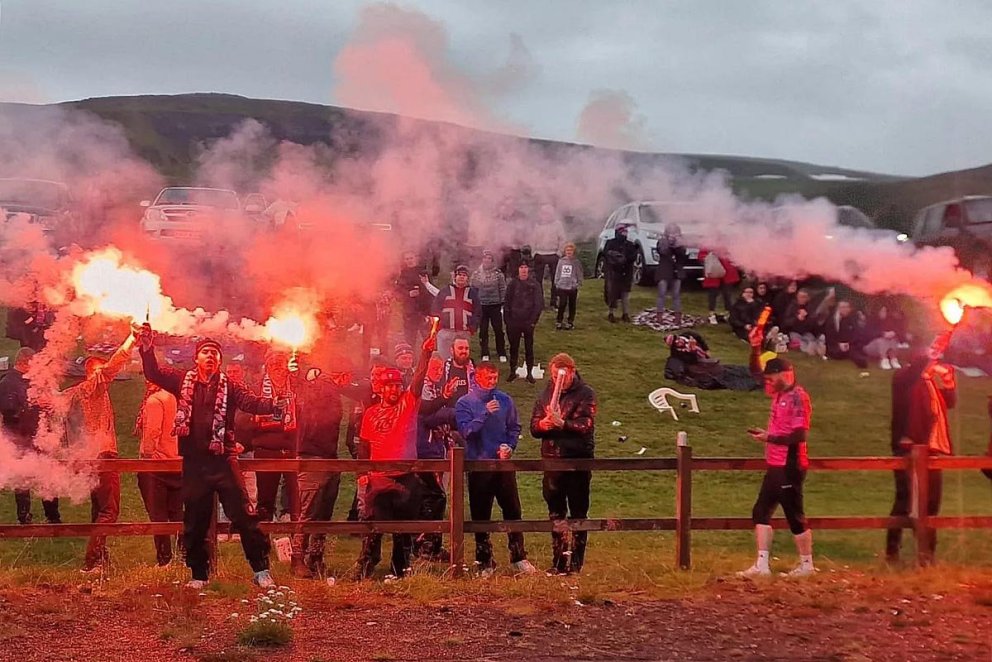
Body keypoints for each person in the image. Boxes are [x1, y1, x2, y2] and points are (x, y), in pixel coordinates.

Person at [137, 326, 282, 589]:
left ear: (219, 361)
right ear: (197, 358)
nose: (210, 356)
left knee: (244, 516)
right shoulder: (182, 381)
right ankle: (199, 575)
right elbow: (153, 372)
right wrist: (147, 349)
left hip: (224, 461)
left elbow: (252, 403)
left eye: (215, 353)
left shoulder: (231, 386)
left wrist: (275, 405)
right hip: (194, 464)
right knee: (195, 520)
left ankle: (261, 570)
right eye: (205, 352)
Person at [354, 334, 435, 580]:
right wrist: (362, 474)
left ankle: (400, 569)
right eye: (389, 386)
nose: (394, 390)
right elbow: (364, 447)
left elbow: (418, 381)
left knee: (403, 528)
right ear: (380, 388)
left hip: (405, 477)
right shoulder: (370, 414)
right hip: (379, 478)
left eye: (398, 385)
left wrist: (426, 354)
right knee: (373, 526)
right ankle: (367, 565)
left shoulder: (408, 404)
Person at [739, 330, 815, 578]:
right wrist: (755, 347)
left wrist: (769, 437)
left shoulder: (797, 397)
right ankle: (762, 565)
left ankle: (807, 565)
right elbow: (753, 374)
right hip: (774, 463)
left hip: (790, 464)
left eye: (771, 378)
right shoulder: (779, 392)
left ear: (784, 375)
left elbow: (799, 436)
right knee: (760, 512)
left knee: (794, 515)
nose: (767, 382)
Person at [455, 361, 537, 576]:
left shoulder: (505, 400)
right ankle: (484, 561)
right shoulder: (465, 402)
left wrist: (510, 446)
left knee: (513, 510)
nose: (492, 382)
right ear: (477, 378)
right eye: (487, 378)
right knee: (481, 515)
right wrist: (483, 413)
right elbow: (466, 432)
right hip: (479, 465)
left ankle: (518, 557)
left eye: (494, 378)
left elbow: (514, 427)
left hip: (502, 465)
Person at [63, 333, 137, 573]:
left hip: (88, 457)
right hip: (102, 456)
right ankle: (93, 561)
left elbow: (50, 404)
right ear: (91, 372)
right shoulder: (93, 385)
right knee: (109, 510)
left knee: (98, 510)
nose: (104, 372)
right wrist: (131, 339)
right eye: (99, 369)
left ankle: (100, 561)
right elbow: (114, 364)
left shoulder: (73, 392)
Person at [886, 351, 956, 565]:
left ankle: (927, 555)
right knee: (905, 501)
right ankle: (892, 553)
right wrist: (931, 350)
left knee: (932, 504)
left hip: (931, 450)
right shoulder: (904, 379)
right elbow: (915, 369)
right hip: (909, 450)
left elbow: (948, 403)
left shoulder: (928, 384)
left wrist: (948, 382)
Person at [530, 353, 597, 575]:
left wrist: (563, 423)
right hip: (552, 461)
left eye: (563, 374)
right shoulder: (546, 393)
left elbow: (585, 425)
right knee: (556, 513)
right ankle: (558, 561)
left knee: (578, 513)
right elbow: (534, 427)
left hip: (577, 462)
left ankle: (576, 564)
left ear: (571, 371)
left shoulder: (585, 393)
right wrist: (543, 424)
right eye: (554, 374)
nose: (559, 379)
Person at [242, 349, 306, 576]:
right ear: (267, 367)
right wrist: (246, 441)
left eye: (281, 364)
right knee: (265, 503)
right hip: (266, 450)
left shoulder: (297, 386)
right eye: (274, 365)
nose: (279, 368)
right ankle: (263, 552)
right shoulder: (258, 386)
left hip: (292, 450)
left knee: (297, 504)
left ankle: (299, 555)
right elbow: (245, 415)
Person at [0, 348, 61, 525]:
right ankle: (24, 518)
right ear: (24, 362)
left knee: (48, 475)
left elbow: (46, 401)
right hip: (19, 438)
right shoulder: (8, 383)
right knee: (23, 478)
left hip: (40, 435)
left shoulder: (33, 380)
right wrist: (32, 404)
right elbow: (9, 411)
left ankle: (53, 516)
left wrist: (49, 406)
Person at [135, 379, 183, 567]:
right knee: (178, 513)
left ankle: (164, 559)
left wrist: (146, 455)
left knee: (158, 514)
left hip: (157, 464)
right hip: (178, 462)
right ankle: (185, 555)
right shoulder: (178, 398)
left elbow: (153, 431)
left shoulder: (155, 400)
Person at [504, 261, 544, 383]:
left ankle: (530, 373)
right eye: (521, 267)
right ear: (518, 270)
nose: (523, 270)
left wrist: (533, 321)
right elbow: (507, 303)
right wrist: (508, 320)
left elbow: (538, 304)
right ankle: (512, 371)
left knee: (529, 348)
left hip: (528, 322)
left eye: (525, 267)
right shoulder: (512, 284)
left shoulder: (534, 284)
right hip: (514, 321)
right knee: (513, 347)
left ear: (528, 270)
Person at [432, 265, 481, 360]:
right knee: (444, 359)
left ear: (467, 278)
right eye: (459, 275)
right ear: (454, 277)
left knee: (460, 359)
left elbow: (477, 312)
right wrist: (439, 325)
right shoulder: (445, 291)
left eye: (464, 275)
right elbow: (435, 308)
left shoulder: (472, 293)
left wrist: (472, 327)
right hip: (446, 331)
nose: (462, 277)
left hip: (463, 331)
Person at [470, 250, 508, 362]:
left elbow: (502, 288)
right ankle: (484, 352)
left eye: (489, 258)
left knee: (498, 330)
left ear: (492, 261)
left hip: (495, 305)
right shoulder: (476, 274)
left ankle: (501, 352)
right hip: (482, 306)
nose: (486, 260)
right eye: (485, 258)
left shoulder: (498, 274)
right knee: (483, 330)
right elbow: (473, 289)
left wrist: (502, 303)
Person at [394, 250, 434, 346]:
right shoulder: (402, 275)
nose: (409, 261)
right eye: (407, 259)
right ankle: (410, 360)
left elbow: (431, 291)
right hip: (409, 314)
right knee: (410, 341)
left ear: (416, 258)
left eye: (411, 258)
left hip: (424, 312)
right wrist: (408, 294)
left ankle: (427, 360)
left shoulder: (423, 273)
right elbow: (397, 294)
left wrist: (430, 312)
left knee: (428, 341)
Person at [532, 204, 565, 308]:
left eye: (548, 213)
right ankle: (539, 302)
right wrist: (534, 253)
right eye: (544, 213)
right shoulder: (537, 225)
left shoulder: (557, 225)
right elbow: (532, 239)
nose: (546, 215)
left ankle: (554, 301)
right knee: (538, 280)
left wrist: (559, 252)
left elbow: (562, 239)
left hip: (553, 254)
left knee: (555, 279)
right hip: (539, 255)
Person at [602, 225, 638, 323]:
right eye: (623, 231)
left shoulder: (630, 245)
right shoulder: (610, 243)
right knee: (612, 294)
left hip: (626, 272)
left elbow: (633, 257)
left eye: (626, 232)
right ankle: (611, 313)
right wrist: (616, 258)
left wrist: (625, 258)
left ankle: (625, 314)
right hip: (613, 272)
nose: (625, 233)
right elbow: (605, 254)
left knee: (625, 294)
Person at [654, 224, 689, 324]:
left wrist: (678, 245)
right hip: (664, 270)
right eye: (671, 232)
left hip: (677, 271)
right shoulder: (662, 241)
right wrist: (670, 244)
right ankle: (659, 316)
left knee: (676, 294)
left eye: (675, 232)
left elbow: (683, 256)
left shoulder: (681, 243)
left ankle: (677, 317)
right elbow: (663, 251)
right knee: (662, 293)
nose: (673, 234)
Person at [698, 248, 740, 324]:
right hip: (714, 273)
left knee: (727, 294)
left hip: (727, 272)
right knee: (713, 295)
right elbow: (701, 256)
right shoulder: (707, 243)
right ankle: (712, 314)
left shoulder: (728, 243)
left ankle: (728, 314)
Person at [783, 289, 828, 357]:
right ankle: (810, 350)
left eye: (804, 297)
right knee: (801, 343)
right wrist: (797, 318)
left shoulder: (810, 307)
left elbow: (813, 323)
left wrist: (807, 317)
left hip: (806, 332)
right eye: (800, 297)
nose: (802, 299)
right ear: (797, 297)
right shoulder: (792, 306)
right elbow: (786, 322)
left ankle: (818, 349)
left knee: (811, 339)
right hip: (794, 332)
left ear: (807, 298)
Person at [825, 300, 869, 370]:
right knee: (837, 351)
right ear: (838, 308)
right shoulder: (832, 321)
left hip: (850, 345)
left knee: (854, 349)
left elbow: (857, 334)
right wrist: (839, 344)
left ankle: (859, 360)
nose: (845, 309)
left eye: (846, 307)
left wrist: (848, 343)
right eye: (842, 307)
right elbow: (829, 337)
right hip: (836, 346)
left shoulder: (853, 319)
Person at [863, 302, 906, 370]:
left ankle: (893, 359)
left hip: (887, 347)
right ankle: (884, 360)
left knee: (892, 339)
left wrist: (893, 333)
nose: (884, 313)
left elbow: (900, 333)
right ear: (877, 312)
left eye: (885, 311)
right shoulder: (871, 320)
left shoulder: (889, 321)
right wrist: (883, 334)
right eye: (882, 311)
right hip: (870, 347)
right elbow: (868, 335)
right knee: (881, 340)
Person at [553, 242, 584, 330]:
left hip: (572, 287)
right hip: (562, 286)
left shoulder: (576, 262)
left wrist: (578, 283)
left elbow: (579, 273)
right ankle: (559, 320)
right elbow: (557, 272)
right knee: (562, 304)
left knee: (572, 305)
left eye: (571, 250)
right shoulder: (561, 261)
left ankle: (570, 322)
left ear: (573, 251)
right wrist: (557, 282)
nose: (569, 252)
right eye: (567, 250)